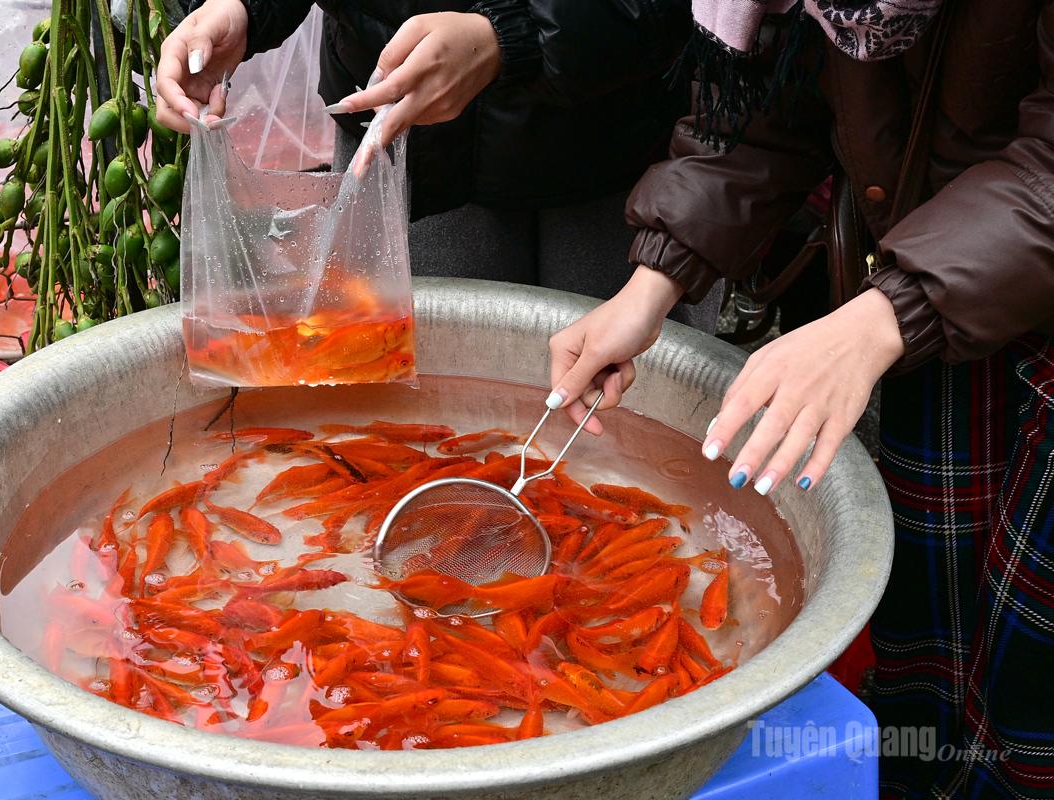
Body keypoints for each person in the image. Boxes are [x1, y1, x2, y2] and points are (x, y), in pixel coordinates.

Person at [549, 2, 1054, 797]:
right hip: (943, 305)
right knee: (932, 642)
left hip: (968, 305)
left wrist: (889, 313)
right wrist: (655, 280)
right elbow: (770, 111)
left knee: (1033, 676)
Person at [154, 0, 723, 330]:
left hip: (604, 151)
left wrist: (511, 38)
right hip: (394, 138)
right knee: (393, 412)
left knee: (609, 423)